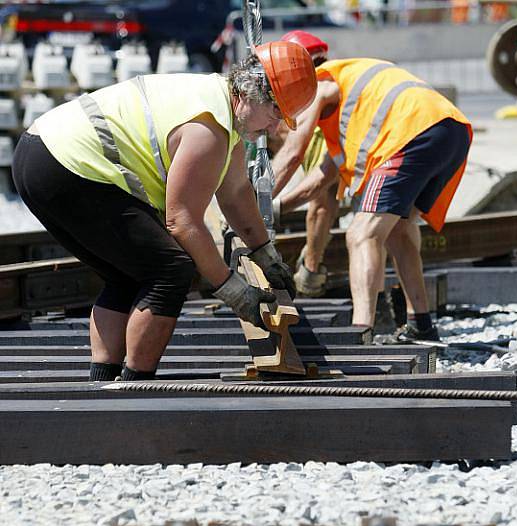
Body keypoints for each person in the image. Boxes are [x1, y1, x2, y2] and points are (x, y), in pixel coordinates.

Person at [12, 41, 317, 381]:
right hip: (69, 165)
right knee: (170, 270)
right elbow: (182, 221)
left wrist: (266, 254)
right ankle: (136, 387)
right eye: (277, 112)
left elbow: (235, 194)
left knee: (127, 272)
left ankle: (104, 380)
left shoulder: (221, 111)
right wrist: (232, 290)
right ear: (251, 93)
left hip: (41, 154)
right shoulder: (209, 129)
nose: (275, 128)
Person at [271, 57, 472, 341]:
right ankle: (421, 324)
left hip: (410, 133)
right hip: (451, 131)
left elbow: (293, 152)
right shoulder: (353, 114)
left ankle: (360, 333)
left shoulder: (320, 84)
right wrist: (273, 209)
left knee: (361, 233)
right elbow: (317, 180)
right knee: (398, 231)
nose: (274, 133)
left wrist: (261, 196)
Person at [278, 30, 339, 298]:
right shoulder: (337, 83)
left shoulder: (321, 100)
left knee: (368, 234)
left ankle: (313, 273)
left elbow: (321, 201)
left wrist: (310, 269)